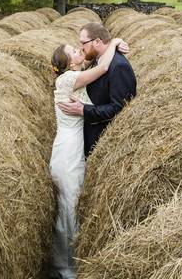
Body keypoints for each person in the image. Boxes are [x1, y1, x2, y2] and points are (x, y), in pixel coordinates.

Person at [49, 35, 129, 279]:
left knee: (72, 205)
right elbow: (104, 67)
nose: (78, 50)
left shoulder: (73, 76)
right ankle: (67, 268)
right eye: (74, 50)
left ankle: (71, 261)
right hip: (68, 151)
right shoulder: (69, 78)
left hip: (73, 146)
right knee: (69, 208)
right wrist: (113, 42)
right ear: (69, 62)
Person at [58, 21, 137, 158]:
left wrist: (83, 110)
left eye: (83, 43)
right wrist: (115, 41)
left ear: (97, 42)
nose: (81, 47)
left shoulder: (118, 66)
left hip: (102, 141)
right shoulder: (97, 58)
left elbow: (121, 108)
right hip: (86, 135)